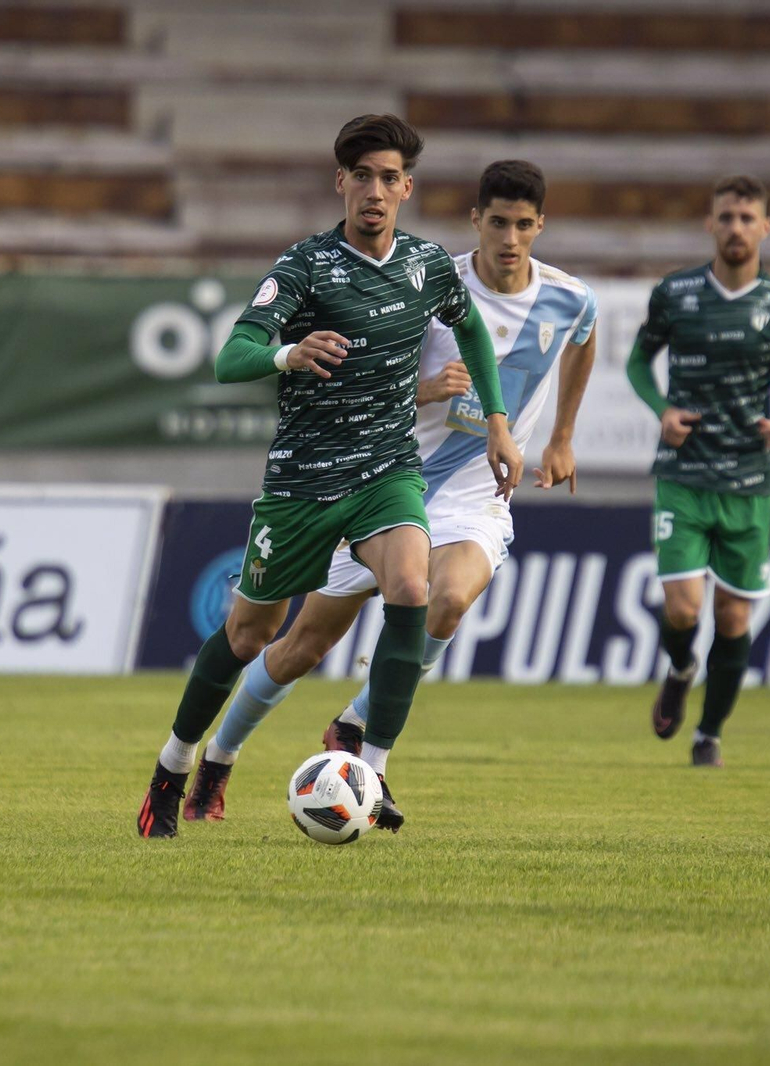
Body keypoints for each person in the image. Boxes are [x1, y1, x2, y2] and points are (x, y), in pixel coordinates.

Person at [137, 115, 522, 839]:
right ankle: (175, 764)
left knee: (412, 589)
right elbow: (232, 356)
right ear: (340, 182)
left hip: (387, 469)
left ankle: (370, 771)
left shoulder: (428, 265)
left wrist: (497, 420)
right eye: (362, 176)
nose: (375, 191)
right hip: (304, 480)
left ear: (407, 187)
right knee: (254, 635)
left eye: (389, 178)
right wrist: (286, 354)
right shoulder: (305, 267)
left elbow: (469, 324)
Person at [181, 159, 598, 824]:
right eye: (498, 223)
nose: (510, 239)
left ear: (540, 226)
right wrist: (423, 388)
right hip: (380, 477)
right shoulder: (430, 280)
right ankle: (216, 763)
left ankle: (362, 747)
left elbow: (583, 340)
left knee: (448, 596)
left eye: (524, 226)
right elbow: (356, 376)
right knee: (299, 647)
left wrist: (562, 437)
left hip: (469, 492)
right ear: (476, 222)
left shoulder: (569, 298)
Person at [626, 174, 770, 767]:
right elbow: (637, 361)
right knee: (683, 609)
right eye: (726, 217)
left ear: (765, 227)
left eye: (746, 218)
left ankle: (708, 735)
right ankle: (681, 665)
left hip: (750, 483)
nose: (736, 227)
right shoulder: (676, 293)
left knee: (733, 617)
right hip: (684, 474)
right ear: (710, 224)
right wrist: (663, 410)